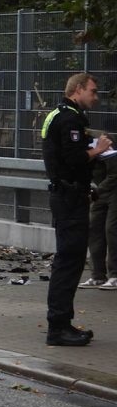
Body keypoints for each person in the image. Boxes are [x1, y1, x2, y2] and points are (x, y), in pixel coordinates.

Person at [41, 73, 112, 346]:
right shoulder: (70, 118)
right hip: (69, 199)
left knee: (67, 261)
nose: (95, 97)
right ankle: (58, 328)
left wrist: (87, 187)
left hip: (67, 194)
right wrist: (100, 149)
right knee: (69, 262)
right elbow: (72, 158)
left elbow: (61, 160)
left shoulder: (57, 114)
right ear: (78, 90)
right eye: (92, 92)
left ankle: (61, 323)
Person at [82, 147, 117, 290]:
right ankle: (97, 275)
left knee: (112, 230)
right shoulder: (82, 147)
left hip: (112, 190)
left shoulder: (105, 143)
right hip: (100, 190)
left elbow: (114, 175)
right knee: (94, 229)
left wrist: (97, 191)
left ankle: (115, 275)